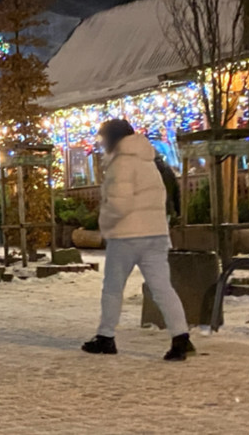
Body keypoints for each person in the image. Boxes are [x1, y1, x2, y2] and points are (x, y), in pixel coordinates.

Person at [82, 119, 194, 362]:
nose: (101, 144)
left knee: (113, 288)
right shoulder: (148, 161)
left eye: (103, 139)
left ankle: (106, 336)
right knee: (162, 288)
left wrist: (105, 223)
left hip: (127, 235)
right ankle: (180, 336)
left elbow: (119, 204)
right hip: (156, 233)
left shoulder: (121, 163)